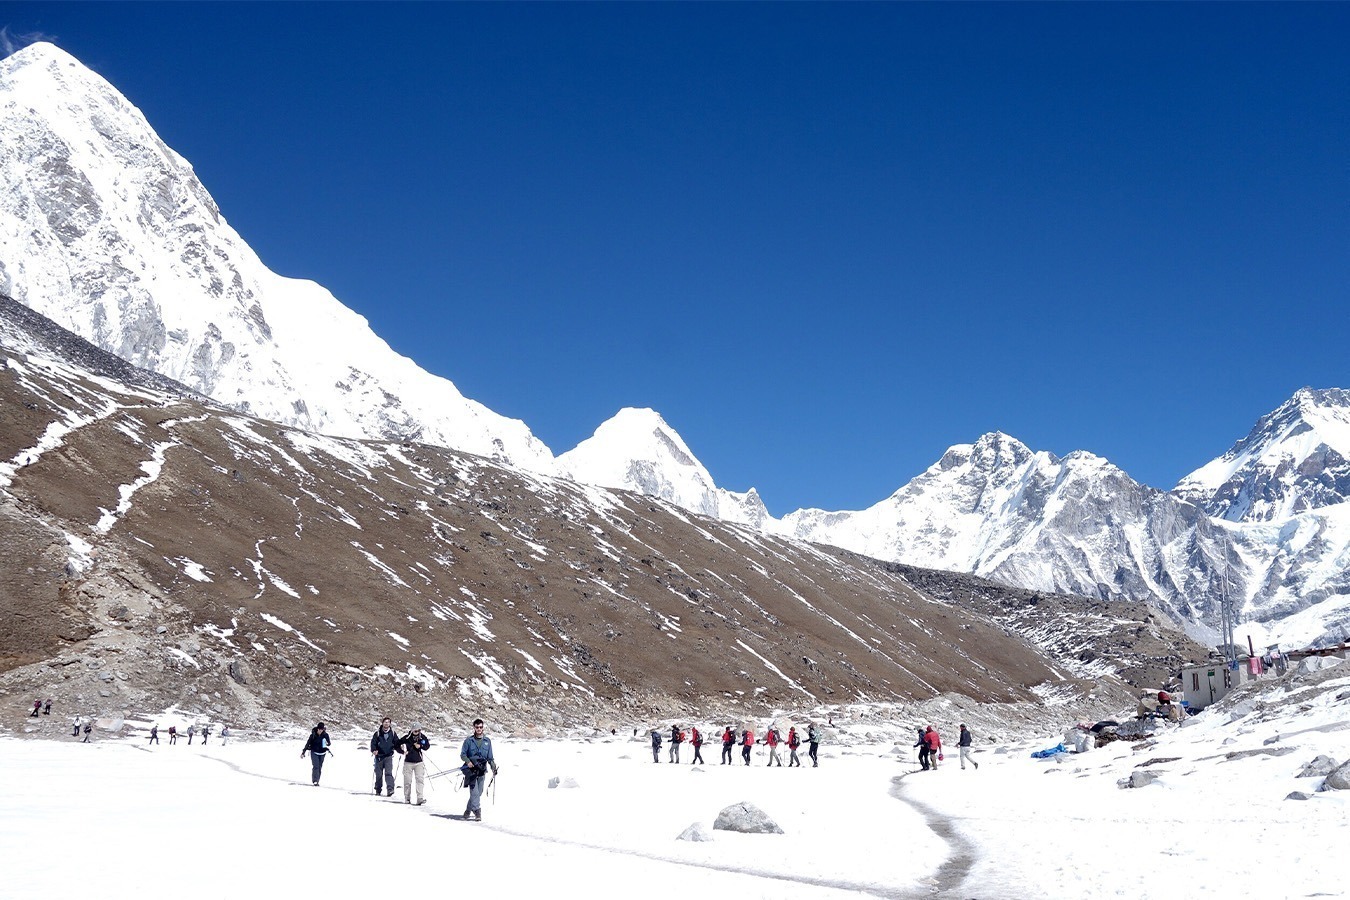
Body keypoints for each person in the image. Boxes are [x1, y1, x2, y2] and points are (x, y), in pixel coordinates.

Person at [459, 718, 498, 821]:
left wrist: (493, 766)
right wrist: (468, 761)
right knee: (474, 792)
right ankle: (477, 812)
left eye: (481, 727)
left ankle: (468, 810)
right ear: (474, 728)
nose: (479, 729)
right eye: (477, 727)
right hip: (471, 771)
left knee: (479, 792)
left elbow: (490, 757)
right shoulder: (468, 741)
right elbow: (463, 754)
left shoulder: (487, 741)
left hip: (482, 770)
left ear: (483, 728)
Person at [398, 725, 431, 805]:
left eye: (419, 730)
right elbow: (396, 744)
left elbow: (427, 746)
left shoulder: (422, 737)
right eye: (416, 731)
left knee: (420, 780)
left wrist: (421, 746)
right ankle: (407, 798)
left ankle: (420, 798)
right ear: (412, 731)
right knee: (407, 781)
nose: (417, 732)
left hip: (419, 762)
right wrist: (402, 751)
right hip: (408, 762)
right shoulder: (407, 738)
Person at [370, 716, 401, 795]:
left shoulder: (393, 733)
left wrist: (401, 750)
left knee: (388, 773)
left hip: (388, 756)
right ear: (382, 723)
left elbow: (397, 743)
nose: (386, 724)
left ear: (390, 724)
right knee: (379, 774)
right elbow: (373, 743)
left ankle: (390, 789)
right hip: (379, 756)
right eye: (385, 722)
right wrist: (374, 750)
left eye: (388, 722)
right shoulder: (377, 733)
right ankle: (378, 789)